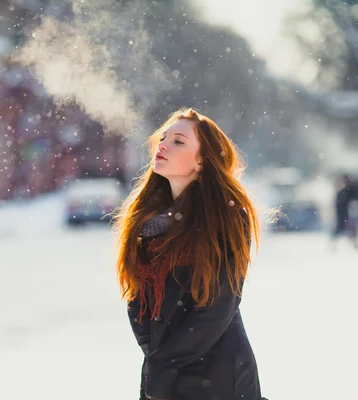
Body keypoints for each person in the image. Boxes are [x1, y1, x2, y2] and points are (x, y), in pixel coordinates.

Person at [112, 108, 267, 400]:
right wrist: (154, 355)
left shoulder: (227, 216)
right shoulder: (147, 221)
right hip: (162, 370)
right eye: (163, 138)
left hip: (217, 372)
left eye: (179, 141)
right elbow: (137, 298)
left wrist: (163, 361)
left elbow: (218, 307)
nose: (164, 145)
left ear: (201, 161)